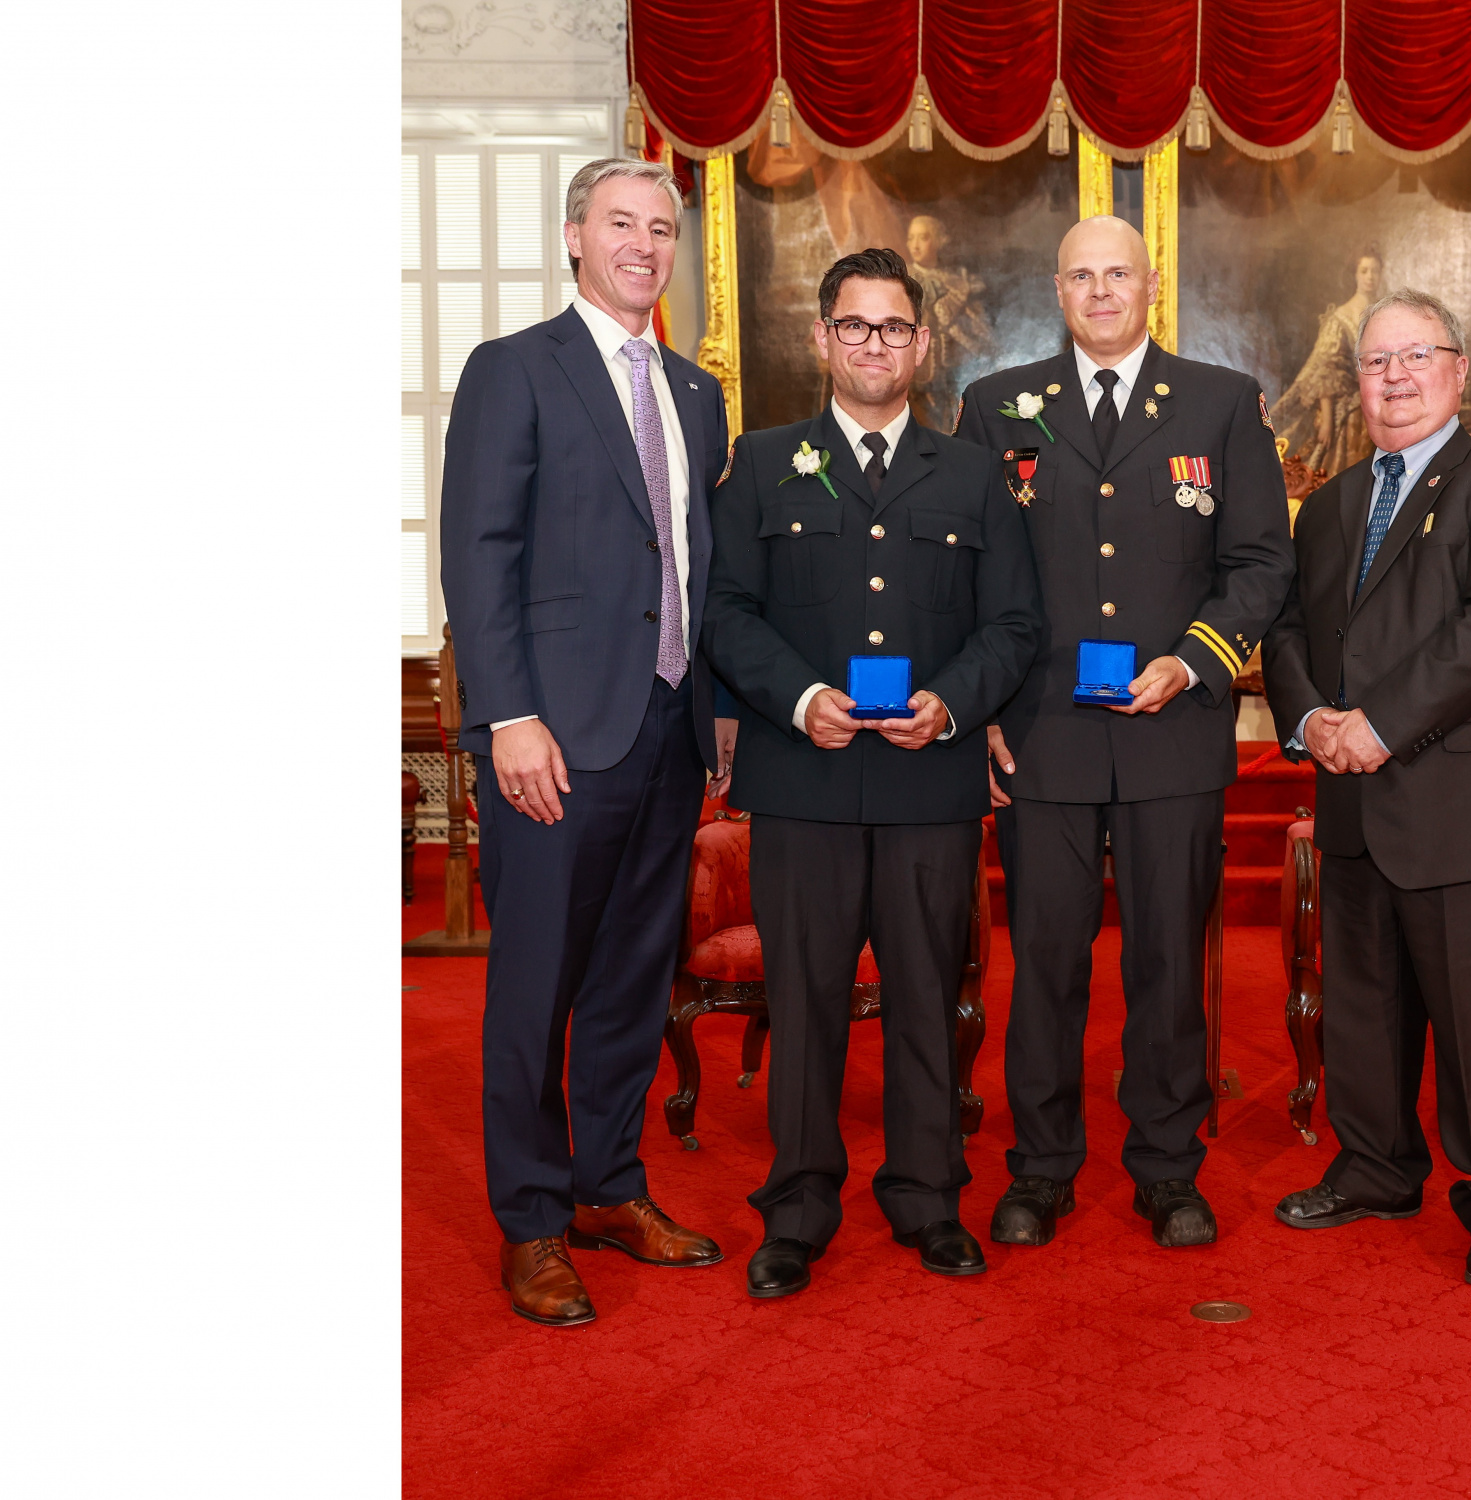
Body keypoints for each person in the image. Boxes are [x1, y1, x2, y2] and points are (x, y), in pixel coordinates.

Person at [703, 248, 1041, 1299]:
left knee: (924, 1003)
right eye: (853, 327)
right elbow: (723, 612)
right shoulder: (760, 464)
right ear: (820, 339)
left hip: (924, 785)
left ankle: (927, 1197)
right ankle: (797, 1208)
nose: (873, 346)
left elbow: (1014, 622)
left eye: (893, 328)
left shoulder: (974, 474)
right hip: (801, 783)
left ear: (922, 346)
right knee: (801, 1006)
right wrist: (803, 699)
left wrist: (951, 701)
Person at [956, 216, 1293, 1250]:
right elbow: (964, 575)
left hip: (1170, 734)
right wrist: (979, 715)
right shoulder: (994, 406)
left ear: (1150, 286)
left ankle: (1165, 1169)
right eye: (1080, 276)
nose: (1100, 291)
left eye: (1117, 274)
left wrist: (1191, 657)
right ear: (1056, 290)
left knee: (1164, 970)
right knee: (1045, 970)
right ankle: (1042, 1170)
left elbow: (1260, 565)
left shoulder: (1219, 403)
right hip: (1041, 737)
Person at [440, 158, 729, 1326]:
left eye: (662, 229)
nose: (643, 245)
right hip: (550, 740)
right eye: (621, 223)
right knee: (533, 990)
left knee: (629, 982)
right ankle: (531, 1222)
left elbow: (695, 568)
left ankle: (610, 1187)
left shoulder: (696, 393)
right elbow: (477, 553)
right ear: (574, 237)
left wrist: (709, 716)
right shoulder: (515, 369)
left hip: (663, 735)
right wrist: (507, 717)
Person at [1262, 288, 1471, 1291]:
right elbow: (1292, 633)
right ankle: (1376, 1166)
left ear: (1457, 370)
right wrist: (1312, 722)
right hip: (1353, 805)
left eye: (1412, 357)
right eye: (1373, 362)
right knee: (1362, 1007)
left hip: (1466, 812)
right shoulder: (1333, 504)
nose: (1391, 377)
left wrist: (1377, 729)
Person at [1265, 247, 1386, 474]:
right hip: (1352, 416)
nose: (1370, 276)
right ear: (1355, 275)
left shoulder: (1387, 314)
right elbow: (1326, 369)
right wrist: (1328, 417)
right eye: (1364, 270)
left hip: (1384, 409)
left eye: (1375, 271)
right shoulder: (1341, 317)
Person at [905, 214, 992, 430]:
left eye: (923, 237)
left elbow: (976, 323)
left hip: (954, 367)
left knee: (953, 424)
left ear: (938, 241)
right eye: (911, 238)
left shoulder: (957, 279)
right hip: (918, 372)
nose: (915, 245)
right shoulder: (902, 279)